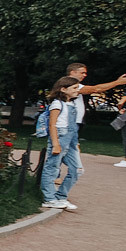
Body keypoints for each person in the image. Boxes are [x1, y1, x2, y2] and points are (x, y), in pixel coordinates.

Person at [39, 76, 83, 210]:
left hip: (70, 140)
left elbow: (73, 127)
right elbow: (53, 125)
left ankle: (61, 195)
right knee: (52, 168)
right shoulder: (57, 104)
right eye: (74, 88)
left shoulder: (72, 104)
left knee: (77, 169)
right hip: (60, 137)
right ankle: (49, 198)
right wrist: (56, 144)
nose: (77, 90)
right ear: (63, 89)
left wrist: (75, 144)